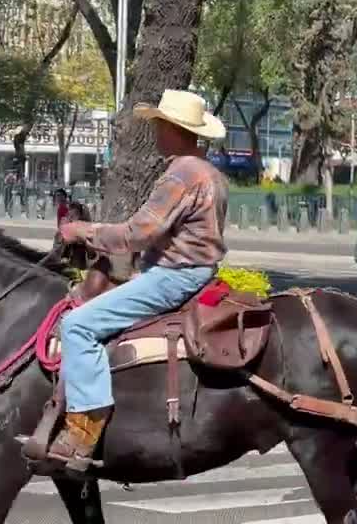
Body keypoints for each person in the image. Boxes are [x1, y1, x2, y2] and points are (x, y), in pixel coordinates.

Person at [53, 90, 228, 467]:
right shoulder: (210, 173)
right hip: (194, 270)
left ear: (171, 128)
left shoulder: (182, 174)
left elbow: (136, 234)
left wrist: (82, 231)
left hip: (173, 276)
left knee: (78, 325)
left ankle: (85, 430)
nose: (155, 132)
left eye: (158, 125)